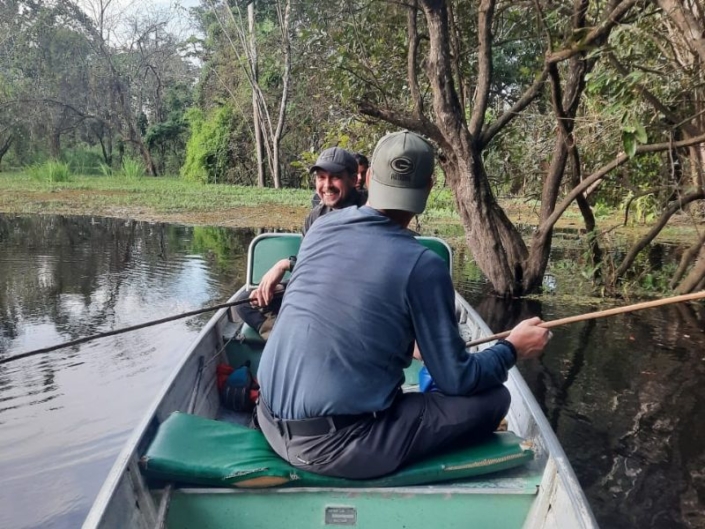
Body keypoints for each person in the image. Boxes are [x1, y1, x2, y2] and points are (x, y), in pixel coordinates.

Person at [255, 130, 551, 479]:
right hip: (333, 449)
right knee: (494, 400)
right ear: (428, 186)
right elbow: (457, 380)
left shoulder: (321, 228)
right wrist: (510, 348)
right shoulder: (423, 265)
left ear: (367, 178)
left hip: (267, 419)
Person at [236, 146, 365, 339]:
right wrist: (278, 289)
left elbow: (343, 267)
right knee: (246, 302)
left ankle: (301, 339)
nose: (327, 185)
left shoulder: (368, 212)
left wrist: (284, 264)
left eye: (335, 177)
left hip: (348, 298)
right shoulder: (315, 216)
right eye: (321, 177)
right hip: (313, 290)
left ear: (354, 180)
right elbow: (307, 265)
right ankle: (282, 339)